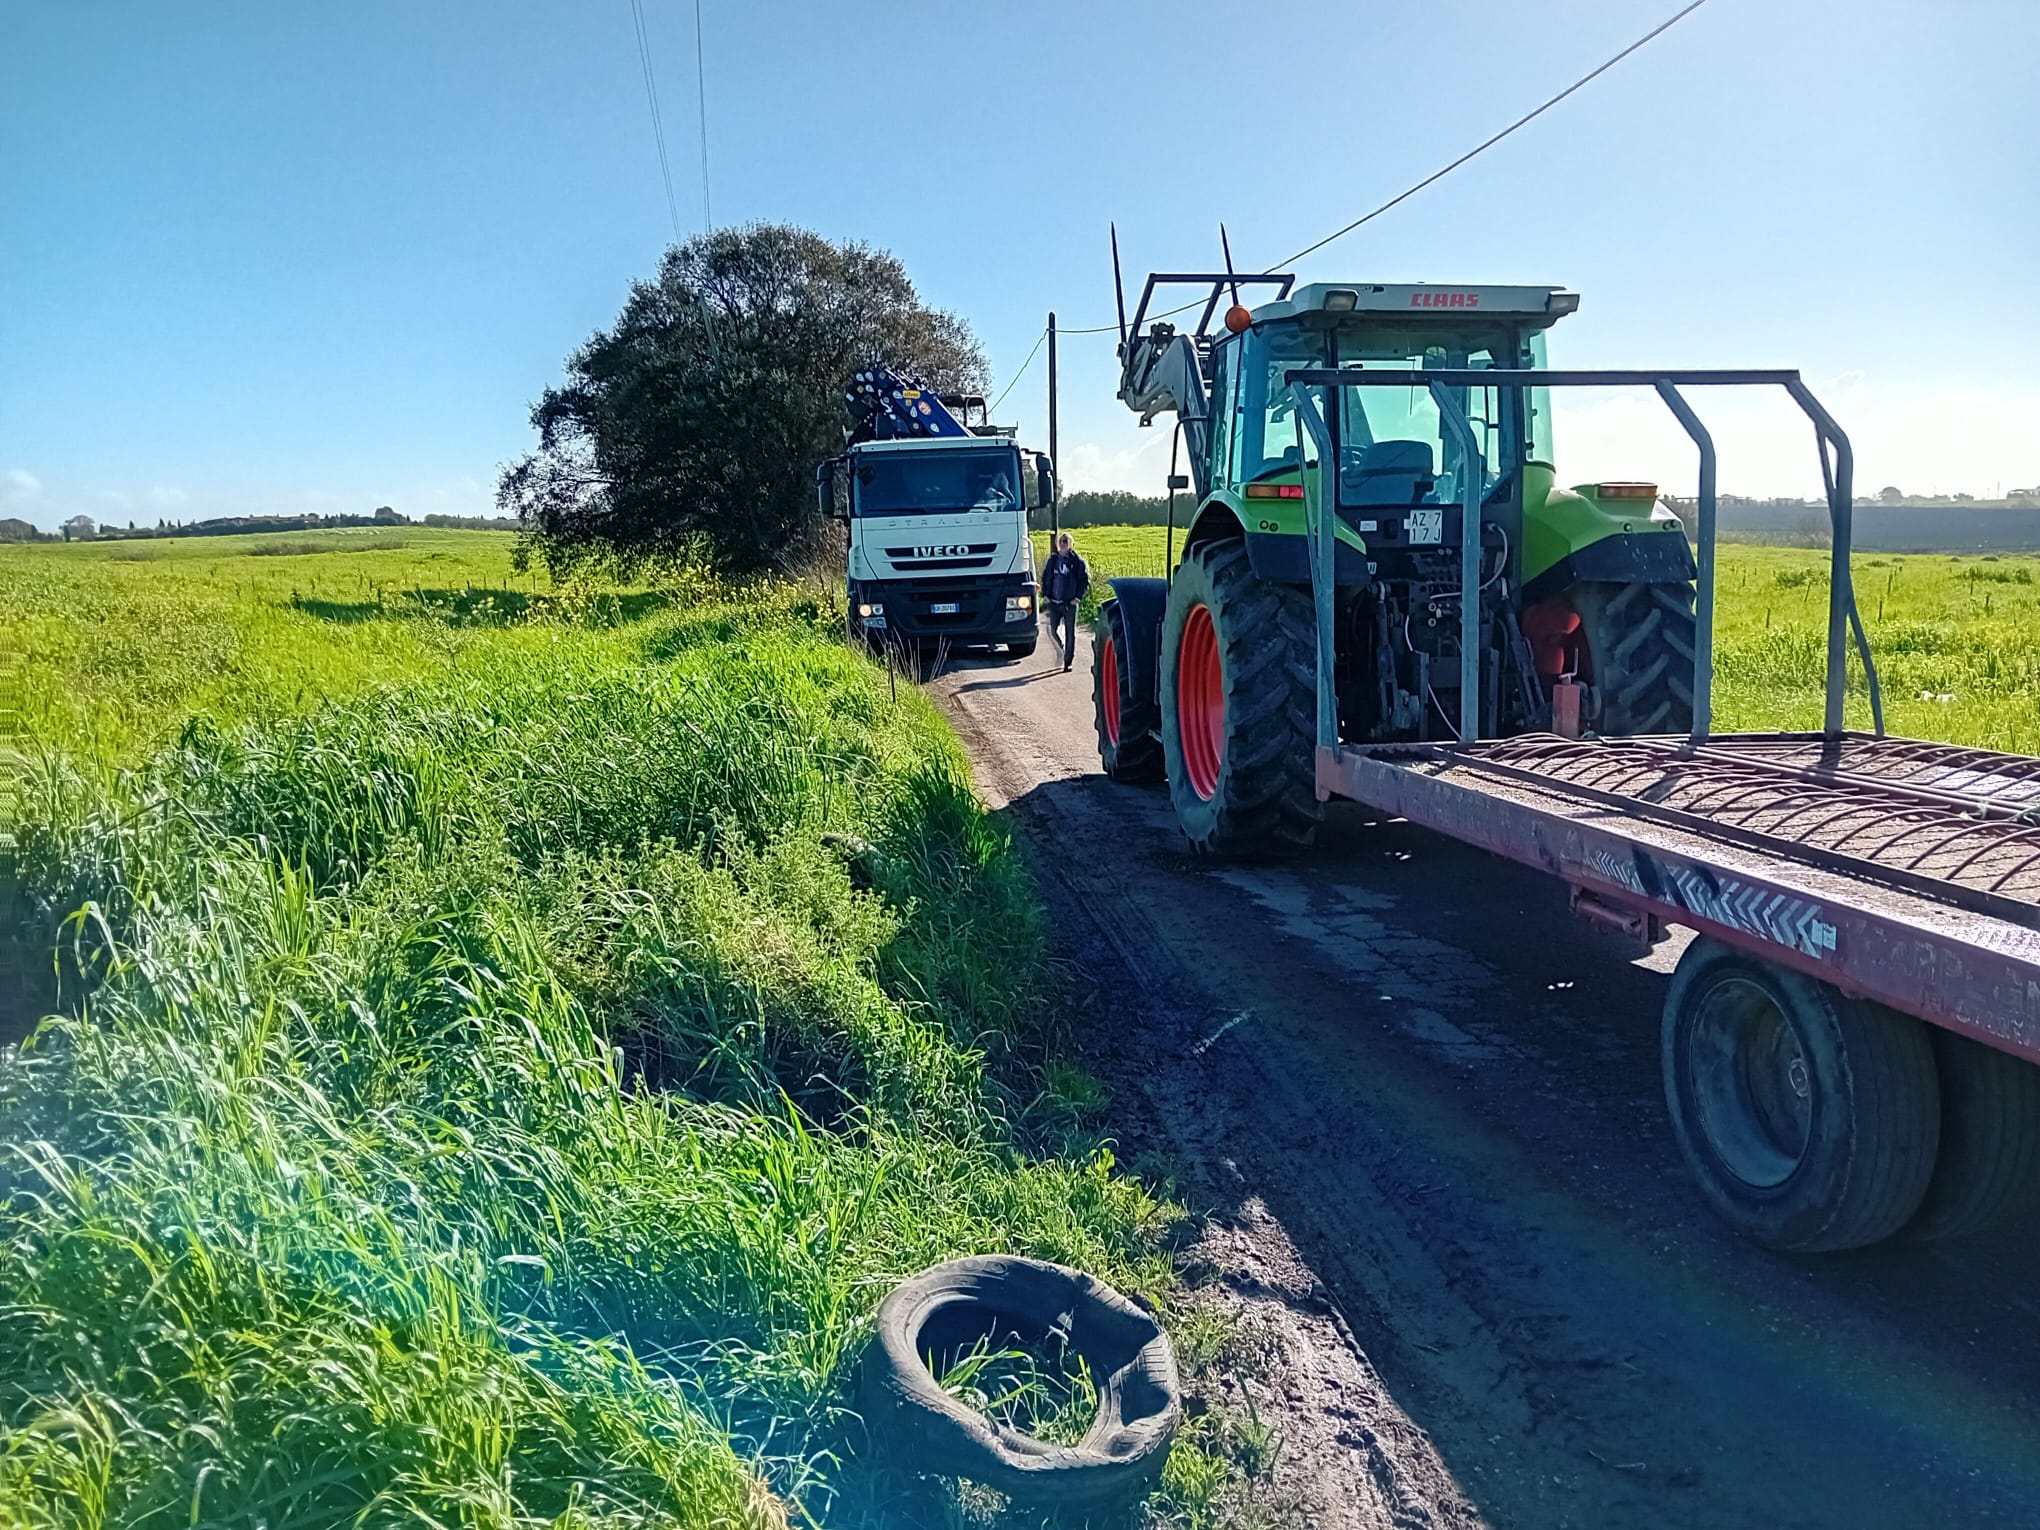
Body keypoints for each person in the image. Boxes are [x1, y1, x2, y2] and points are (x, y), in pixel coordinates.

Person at [1039, 531, 1090, 672]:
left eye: (1065, 542)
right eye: (1061, 541)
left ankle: (1068, 661)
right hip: (1054, 602)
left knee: (1070, 633)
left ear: (1070, 545)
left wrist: (1078, 597)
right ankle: (1061, 648)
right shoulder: (1053, 560)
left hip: (1069, 603)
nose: (1063, 544)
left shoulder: (1077, 562)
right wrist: (1046, 594)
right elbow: (1045, 577)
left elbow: (1084, 581)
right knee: (1052, 630)